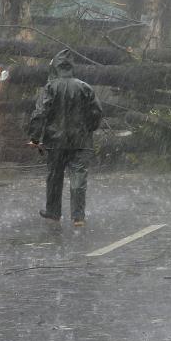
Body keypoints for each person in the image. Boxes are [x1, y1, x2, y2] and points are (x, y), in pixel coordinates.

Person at [28, 49, 102, 227]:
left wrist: (35, 137)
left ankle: (53, 212)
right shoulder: (85, 87)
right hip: (81, 141)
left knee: (54, 176)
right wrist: (89, 129)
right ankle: (78, 217)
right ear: (71, 67)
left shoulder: (50, 87)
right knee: (78, 178)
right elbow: (97, 112)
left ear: (56, 67)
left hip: (55, 141)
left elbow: (40, 113)